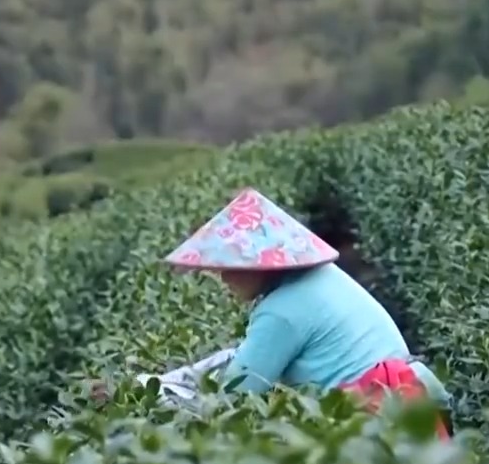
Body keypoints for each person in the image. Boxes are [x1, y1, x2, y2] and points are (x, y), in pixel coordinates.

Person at [94, 187, 453, 438]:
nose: (222, 278)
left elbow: (235, 395)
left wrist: (143, 402)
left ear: (258, 264)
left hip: (374, 423)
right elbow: (238, 360)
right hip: (411, 405)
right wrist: (148, 386)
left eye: (229, 267)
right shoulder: (321, 278)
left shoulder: (282, 311)